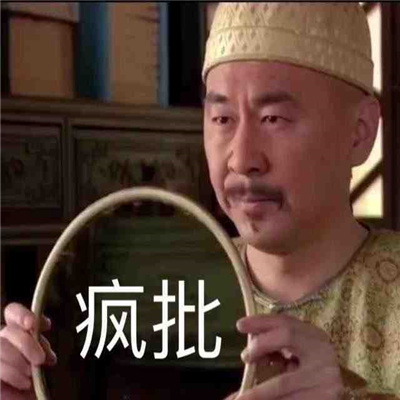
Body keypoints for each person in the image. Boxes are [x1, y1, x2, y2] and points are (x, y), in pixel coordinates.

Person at [1, 2, 399, 400]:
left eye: (274, 118)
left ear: (359, 132)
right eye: (223, 119)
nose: (241, 160)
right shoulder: (159, 298)